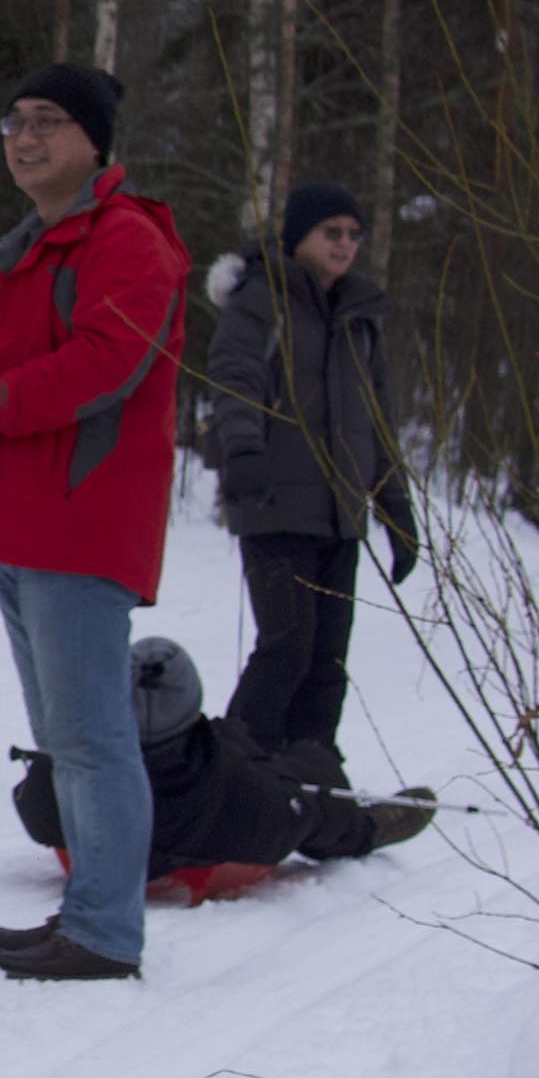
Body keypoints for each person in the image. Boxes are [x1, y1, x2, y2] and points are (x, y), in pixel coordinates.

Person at [0, 61, 188, 982]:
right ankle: (88, 915)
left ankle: (103, 932)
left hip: (81, 523)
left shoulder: (126, 240)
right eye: (14, 121)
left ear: (94, 140)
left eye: (48, 121)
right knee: (67, 739)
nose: (24, 136)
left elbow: (104, 364)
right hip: (23, 524)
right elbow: (5, 374)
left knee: (92, 740)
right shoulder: (38, 247)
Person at [198, 176, 420, 786]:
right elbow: (233, 380)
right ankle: (230, 774)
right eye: (332, 232)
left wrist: (395, 507)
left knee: (327, 660)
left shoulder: (360, 318)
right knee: (287, 646)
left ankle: (311, 772)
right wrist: (241, 456)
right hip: (272, 502)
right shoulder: (260, 301)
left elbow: (377, 418)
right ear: (299, 237)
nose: (345, 244)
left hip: (339, 515)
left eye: (353, 234)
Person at [9, 636, 434, 903]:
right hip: (215, 822)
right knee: (308, 779)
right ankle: (370, 826)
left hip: (114, 824)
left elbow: (30, 804)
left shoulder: (61, 774)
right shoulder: (250, 794)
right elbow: (301, 815)